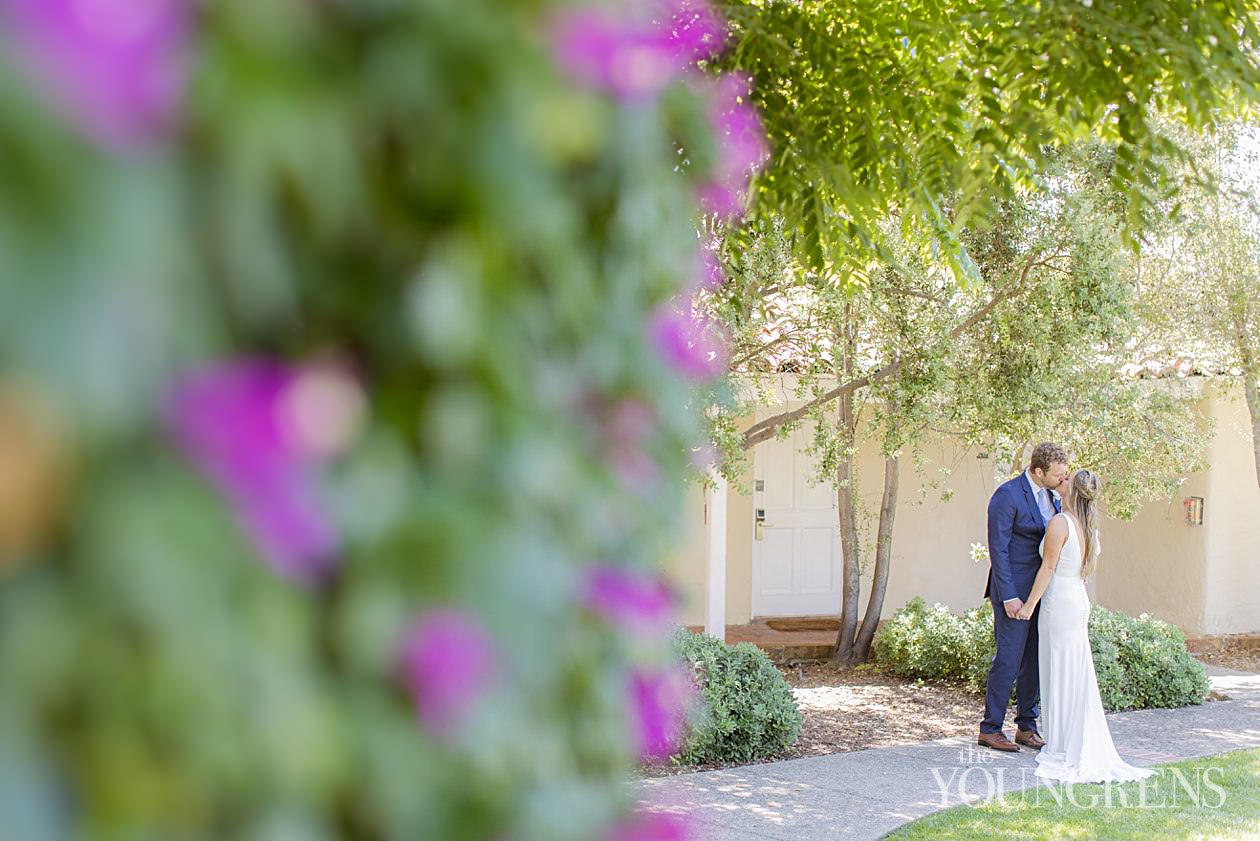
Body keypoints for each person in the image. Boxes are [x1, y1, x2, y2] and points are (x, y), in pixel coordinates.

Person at [1017, 469, 1155, 783]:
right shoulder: (1085, 527)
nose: (1059, 479)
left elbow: (1048, 567)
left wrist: (1029, 605)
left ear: (1070, 490)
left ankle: (1064, 745)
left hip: (1060, 602)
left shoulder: (1060, 523)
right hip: (1076, 599)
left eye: (1065, 479)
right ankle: (1067, 739)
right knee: (1073, 671)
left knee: (1059, 670)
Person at [978, 442, 1069, 752]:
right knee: (1009, 658)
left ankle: (1026, 726)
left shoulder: (1055, 496)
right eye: (1058, 474)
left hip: (1043, 592)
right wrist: (1009, 596)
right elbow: (998, 550)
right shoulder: (1008, 495)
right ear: (1038, 471)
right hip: (1014, 593)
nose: (1063, 479)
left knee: (1034, 659)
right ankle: (990, 728)